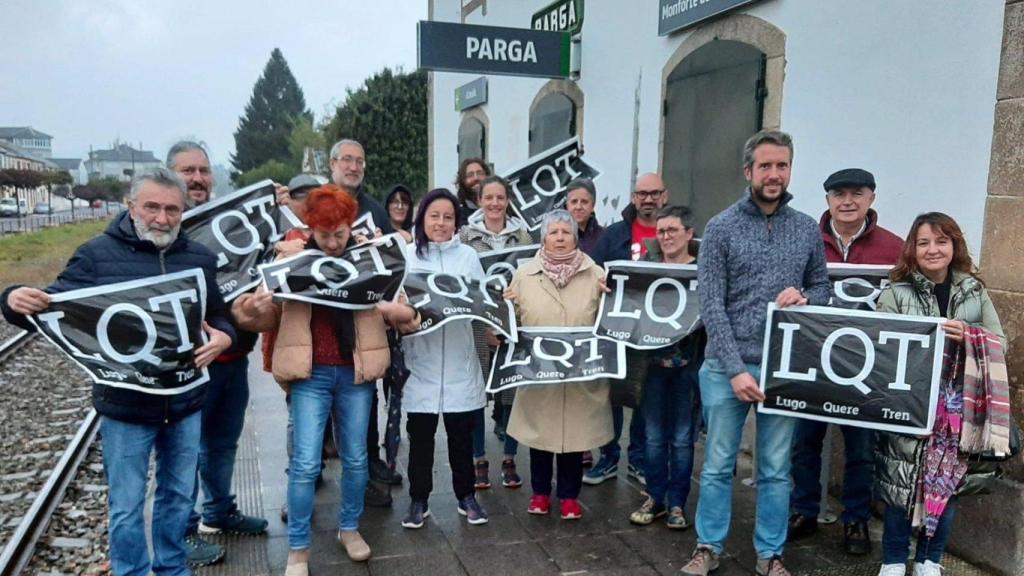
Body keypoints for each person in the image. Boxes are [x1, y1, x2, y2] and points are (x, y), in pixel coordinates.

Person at [2, 168, 236, 576]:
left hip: (185, 401)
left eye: (172, 210)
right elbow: (53, 307)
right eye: (152, 207)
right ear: (131, 207)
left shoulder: (199, 258)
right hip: (127, 406)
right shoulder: (95, 254)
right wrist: (11, 300)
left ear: (183, 211)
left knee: (179, 497)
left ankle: (172, 567)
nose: (162, 218)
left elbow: (217, 313)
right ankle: (131, 571)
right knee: (126, 506)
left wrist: (224, 337)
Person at [237, 186, 417, 574]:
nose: (333, 243)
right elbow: (264, 317)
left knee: (356, 459)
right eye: (323, 234)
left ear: (350, 225)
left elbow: (410, 313)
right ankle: (298, 549)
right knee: (305, 463)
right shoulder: (291, 260)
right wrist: (251, 310)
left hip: (356, 372)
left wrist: (396, 311)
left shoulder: (373, 257)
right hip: (311, 372)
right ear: (310, 228)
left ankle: (349, 528)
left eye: (339, 233)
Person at [681, 130, 830, 576]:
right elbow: (711, 305)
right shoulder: (721, 227)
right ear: (748, 171)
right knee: (717, 465)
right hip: (726, 368)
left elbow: (822, 286)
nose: (774, 174)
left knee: (776, 469)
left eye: (782, 165)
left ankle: (770, 553)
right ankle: (708, 547)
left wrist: (806, 297)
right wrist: (734, 370)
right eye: (765, 166)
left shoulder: (806, 228)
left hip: (782, 366)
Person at [875, 213, 1005, 576]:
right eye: (923, 243)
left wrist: (971, 336)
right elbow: (881, 348)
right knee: (902, 479)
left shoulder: (973, 291)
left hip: (958, 409)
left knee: (947, 484)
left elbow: (1001, 342)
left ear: (954, 246)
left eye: (941, 241)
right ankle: (893, 560)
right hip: (910, 404)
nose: (933, 249)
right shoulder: (896, 292)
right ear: (912, 250)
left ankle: (929, 559)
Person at [788, 167, 905, 554]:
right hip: (811, 362)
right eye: (839, 194)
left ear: (872, 198)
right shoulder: (805, 241)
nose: (848, 201)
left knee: (862, 450)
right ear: (828, 200)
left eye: (857, 193)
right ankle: (804, 509)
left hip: (867, 371)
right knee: (804, 443)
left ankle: (855, 519)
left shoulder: (894, 248)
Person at [165, 141, 271, 567]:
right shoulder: (162, 230)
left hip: (233, 359)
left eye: (203, 170)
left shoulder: (231, 221)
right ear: (170, 175)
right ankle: (183, 532)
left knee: (223, 443)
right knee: (184, 450)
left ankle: (219, 510)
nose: (197, 178)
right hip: (189, 367)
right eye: (187, 170)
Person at [504, 209, 613, 520]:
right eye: (554, 232)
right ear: (544, 238)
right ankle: (540, 493)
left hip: (580, 374)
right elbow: (512, 322)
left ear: (576, 238)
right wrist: (504, 309)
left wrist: (612, 296)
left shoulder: (596, 274)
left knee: (575, 439)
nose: (560, 238)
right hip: (539, 373)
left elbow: (610, 319)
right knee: (540, 436)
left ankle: (569, 496)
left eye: (566, 232)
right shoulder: (523, 275)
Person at [397, 188, 490, 529]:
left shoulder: (467, 256)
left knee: (461, 437)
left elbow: (483, 301)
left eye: (448, 217)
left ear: (456, 222)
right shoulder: (407, 256)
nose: (440, 223)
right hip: (420, 361)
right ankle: (418, 499)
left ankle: (466, 496)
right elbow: (395, 298)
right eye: (434, 216)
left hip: (458, 361)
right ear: (422, 218)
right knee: (420, 438)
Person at [328, 138, 403, 499]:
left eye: (360, 161)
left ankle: (370, 461)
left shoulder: (374, 210)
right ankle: (309, 471)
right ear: (332, 164)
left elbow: (392, 262)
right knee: (313, 401)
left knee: (366, 393)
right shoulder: (317, 202)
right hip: (323, 318)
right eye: (347, 159)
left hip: (364, 318)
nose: (354, 166)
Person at [586, 173, 669, 486]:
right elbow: (594, 270)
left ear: (665, 195)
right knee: (612, 397)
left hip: (659, 332)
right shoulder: (615, 234)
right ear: (634, 197)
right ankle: (608, 457)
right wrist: (599, 283)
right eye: (642, 193)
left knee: (647, 397)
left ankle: (638, 460)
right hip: (618, 330)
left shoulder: (674, 231)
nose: (648, 199)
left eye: (654, 193)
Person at [628, 205, 705, 530]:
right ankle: (655, 497)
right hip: (652, 368)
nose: (666, 236)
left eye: (672, 230)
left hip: (690, 368)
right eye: (661, 231)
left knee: (683, 439)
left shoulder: (704, 271)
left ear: (689, 233)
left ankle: (677, 503)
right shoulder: (645, 269)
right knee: (654, 437)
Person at [458, 175, 533, 490]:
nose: (494, 203)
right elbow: (462, 285)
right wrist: (487, 325)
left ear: (507, 200)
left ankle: (509, 458)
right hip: (478, 326)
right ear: (479, 201)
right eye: (488, 197)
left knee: (511, 395)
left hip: (513, 326)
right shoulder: (465, 236)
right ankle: (479, 459)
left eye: (500, 197)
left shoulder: (523, 235)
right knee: (477, 395)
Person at [565, 177, 604, 256]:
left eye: (584, 202)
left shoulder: (605, 237)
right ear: (567, 205)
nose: (578, 207)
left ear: (593, 206)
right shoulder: (555, 237)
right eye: (574, 201)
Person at [454, 157, 491, 223]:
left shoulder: (500, 208)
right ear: (462, 181)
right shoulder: (457, 215)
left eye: (480, 173)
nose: (476, 178)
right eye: (470, 175)